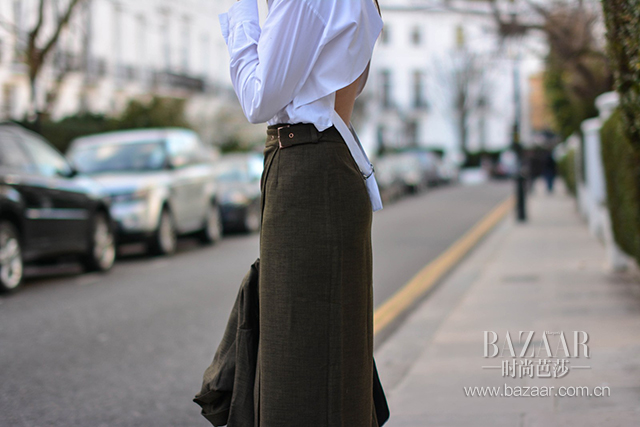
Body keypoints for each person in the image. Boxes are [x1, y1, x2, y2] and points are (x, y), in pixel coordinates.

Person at [218, 0, 384, 425]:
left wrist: (240, 12)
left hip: (309, 172)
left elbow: (258, 99)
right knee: (326, 355)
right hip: (321, 166)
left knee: (297, 361)